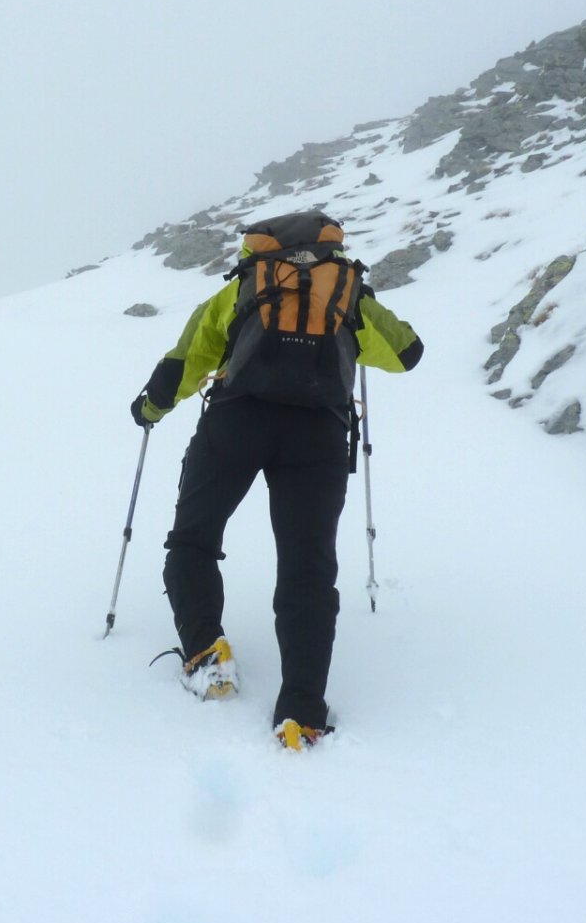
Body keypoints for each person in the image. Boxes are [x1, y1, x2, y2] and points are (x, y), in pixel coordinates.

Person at [130, 210, 423, 750]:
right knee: (308, 570)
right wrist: (354, 315)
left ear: (258, 247)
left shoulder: (243, 288)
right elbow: (407, 353)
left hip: (235, 423)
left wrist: (149, 408)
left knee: (193, 538)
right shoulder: (347, 291)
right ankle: (301, 714)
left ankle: (206, 653)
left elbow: (183, 363)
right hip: (319, 437)